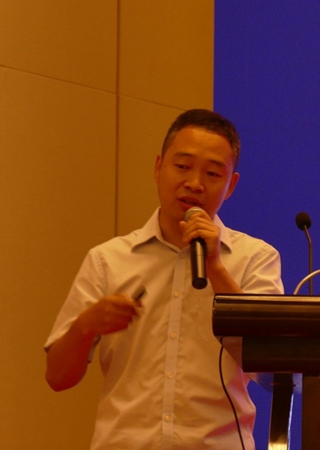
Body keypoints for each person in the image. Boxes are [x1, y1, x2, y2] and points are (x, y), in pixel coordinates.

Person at [45, 109, 283, 449]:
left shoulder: (256, 258)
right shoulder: (108, 260)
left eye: (212, 173)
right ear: (158, 168)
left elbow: (272, 374)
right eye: (182, 166)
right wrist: (86, 325)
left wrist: (215, 267)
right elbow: (57, 377)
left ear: (231, 185)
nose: (194, 183)